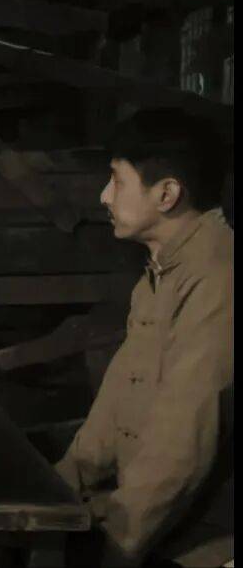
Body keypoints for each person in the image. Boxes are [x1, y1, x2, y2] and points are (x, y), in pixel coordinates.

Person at [55, 108, 233, 568]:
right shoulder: (160, 274)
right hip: (156, 523)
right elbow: (117, 398)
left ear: (167, 194)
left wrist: (116, 547)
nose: (104, 195)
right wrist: (57, 489)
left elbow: (183, 441)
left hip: (207, 540)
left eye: (117, 180)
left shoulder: (219, 277)